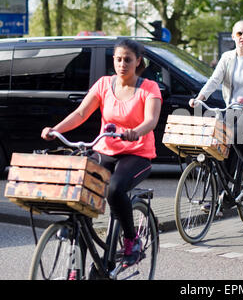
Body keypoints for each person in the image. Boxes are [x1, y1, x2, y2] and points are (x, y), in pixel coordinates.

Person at [41, 39, 162, 267]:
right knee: (82, 206)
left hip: (137, 154)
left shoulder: (149, 88)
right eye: (118, 59)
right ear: (113, 60)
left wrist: (135, 132)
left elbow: (151, 120)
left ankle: (130, 240)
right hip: (105, 150)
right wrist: (56, 130)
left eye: (128, 59)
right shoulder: (104, 84)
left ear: (138, 62)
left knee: (115, 189)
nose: (122, 64)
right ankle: (75, 269)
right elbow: (81, 113)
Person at [189, 20, 243, 203]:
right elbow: (214, 80)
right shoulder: (227, 57)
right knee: (221, 144)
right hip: (232, 107)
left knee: (236, 136)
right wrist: (200, 98)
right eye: (239, 34)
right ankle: (224, 194)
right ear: (233, 36)